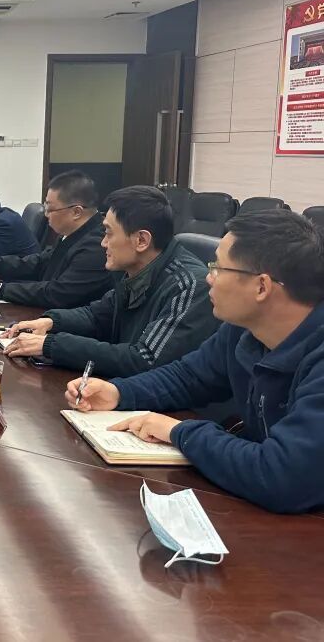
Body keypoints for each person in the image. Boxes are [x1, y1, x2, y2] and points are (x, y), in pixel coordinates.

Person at [66, 210, 324, 514]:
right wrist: (119, 392)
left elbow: (282, 477)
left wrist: (178, 432)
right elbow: (188, 377)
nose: (207, 277)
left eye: (218, 268)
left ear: (261, 287)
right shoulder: (244, 329)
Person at [4, 185, 216, 375]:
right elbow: (97, 315)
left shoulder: (189, 286)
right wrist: (51, 322)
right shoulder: (134, 269)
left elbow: (145, 359)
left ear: (141, 240)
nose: (103, 243)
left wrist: (52, 345)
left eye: (108, 233)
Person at [0, 170, 112, 309]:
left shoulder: (97, 245)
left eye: (50, 209)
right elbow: (40, 263)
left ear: (76, 212)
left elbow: (59, 293)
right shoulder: (71, 233)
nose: (46, 215)